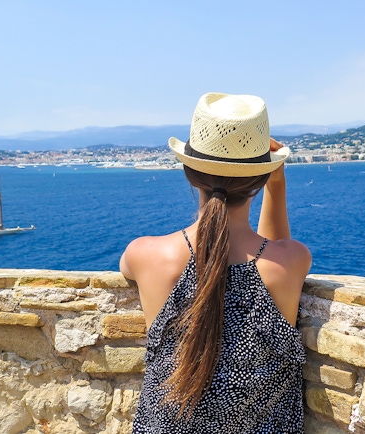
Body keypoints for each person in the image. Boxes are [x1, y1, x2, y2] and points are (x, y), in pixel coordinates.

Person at [120, 92, 312, 433]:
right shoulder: (291, 261)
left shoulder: (145, 255)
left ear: (190, 172)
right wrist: (277, 184)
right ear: (260, 179)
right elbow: (273, 247)